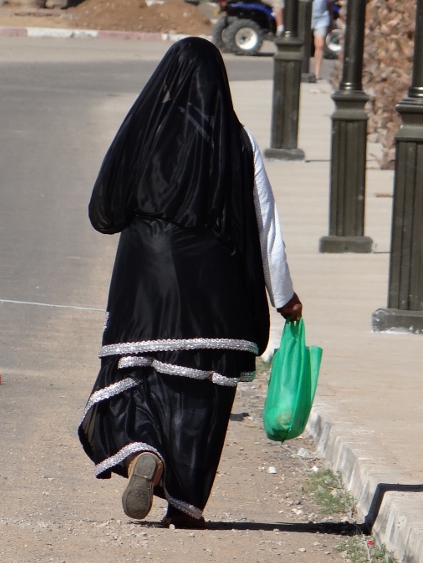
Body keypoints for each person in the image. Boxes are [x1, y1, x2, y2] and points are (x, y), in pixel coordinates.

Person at [77, 38, 302, 529]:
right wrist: (283, 296)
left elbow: (107, 203)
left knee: (138, 376)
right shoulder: (237, 142)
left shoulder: (145, 133)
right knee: (201, 394)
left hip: (145, 281)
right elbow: (266, 226)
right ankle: (184, 502)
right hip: (214, 290)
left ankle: (144, 452)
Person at [311, 0, 331, 80]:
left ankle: (317, 73)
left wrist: (331, 20)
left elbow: (329, 4)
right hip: (304, 15)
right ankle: (303, 71)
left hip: (321, 18)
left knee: (320, 45)